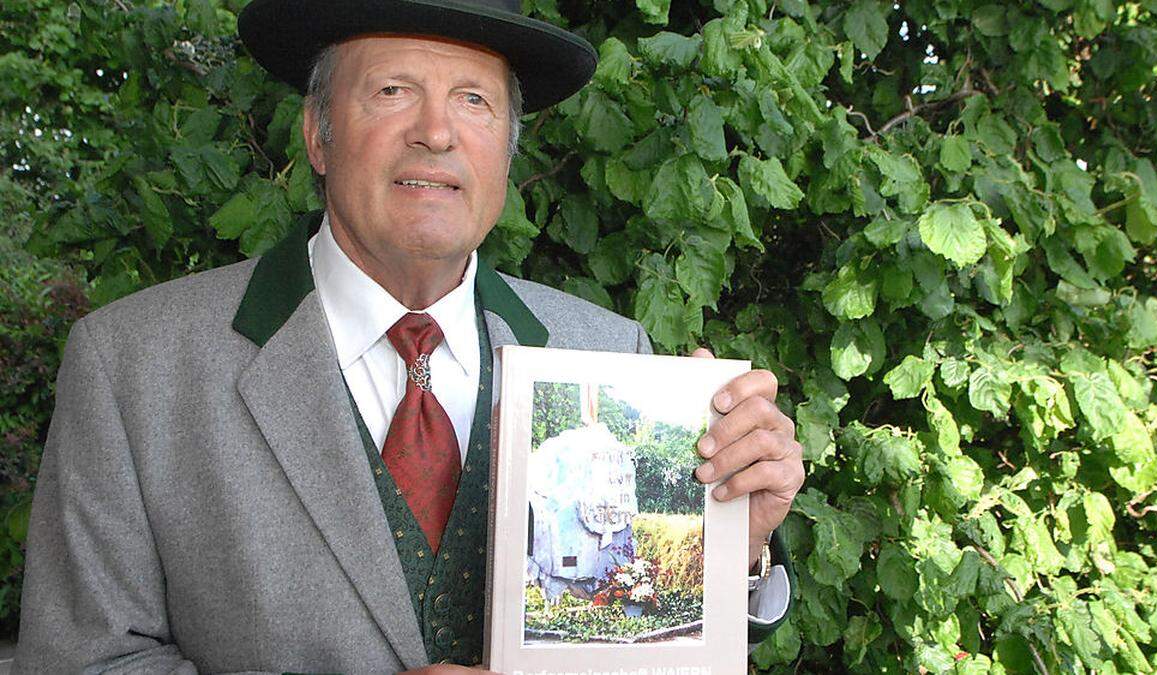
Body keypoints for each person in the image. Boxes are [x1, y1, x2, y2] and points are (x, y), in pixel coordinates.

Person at [14, 0, 806, 671]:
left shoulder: (610, 353)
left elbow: (633, 643)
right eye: (393, 90)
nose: (436, 131)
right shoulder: (132, 367)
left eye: (474, 100)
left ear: (506, 151)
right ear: (317, 135)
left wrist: (735, 541)